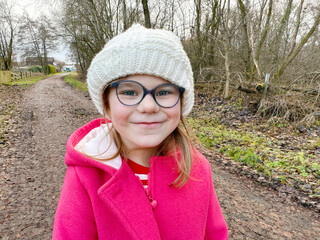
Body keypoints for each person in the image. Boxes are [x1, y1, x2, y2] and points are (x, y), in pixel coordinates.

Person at [52, 24, 228, 240]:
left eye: (163, 92)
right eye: (129, 92)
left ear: (181, 103)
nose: (148, 106)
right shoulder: (85, 176)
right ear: (106, 104)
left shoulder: (198, 169)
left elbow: (215, 234)